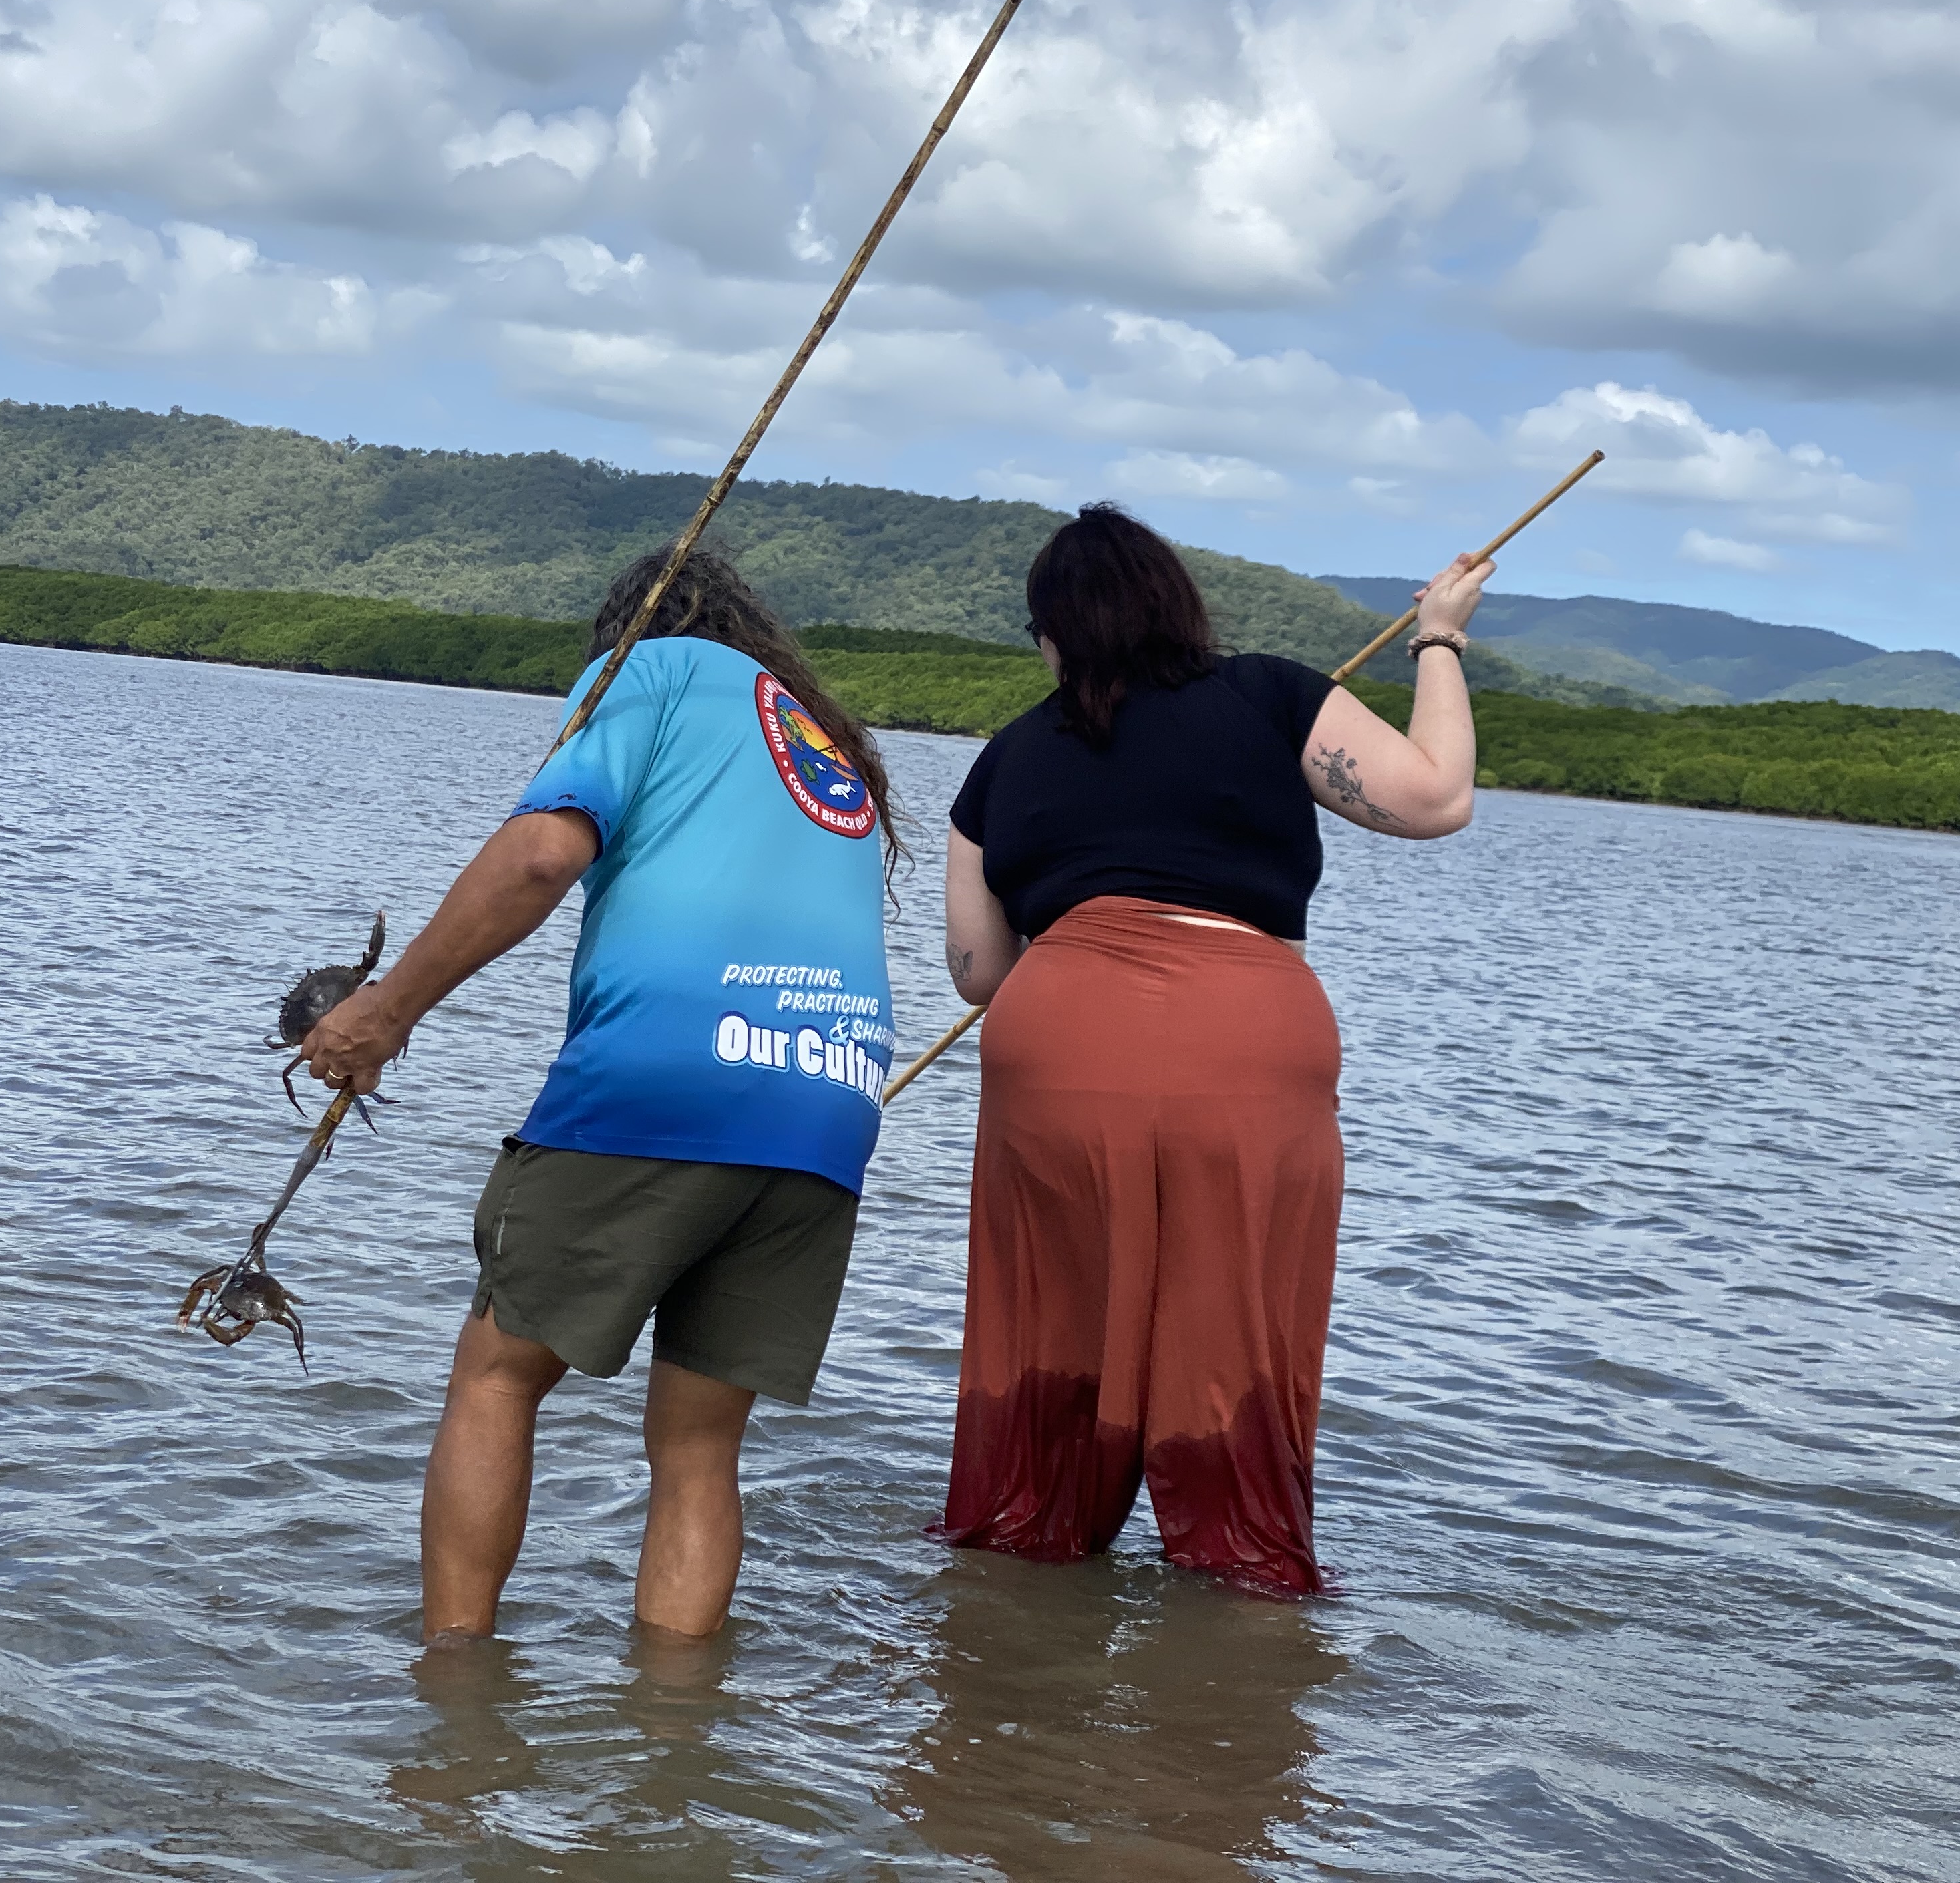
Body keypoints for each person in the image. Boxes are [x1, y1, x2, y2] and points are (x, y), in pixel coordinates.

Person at [301, 550, 902, 1643]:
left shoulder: (650, 668)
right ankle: (672, 1739)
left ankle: (453, 1696)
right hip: (830, 1097)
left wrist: (388, 1008)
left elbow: (539, 858)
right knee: (699, 1441)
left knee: (498, 1372)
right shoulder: (823, 738)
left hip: (673, 1073)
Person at [935, 504, 1491, 1595]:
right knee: (1234, 1329)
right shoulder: (1270, 694)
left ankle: (1021, 1566)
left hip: (1059, 1048)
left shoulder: (1004, 761)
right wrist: (1439, 637)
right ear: (1174, 607)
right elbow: (1436, 800)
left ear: (1054, 633)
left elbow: (979, 973)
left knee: (1051, 1324)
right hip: (1247, 1040)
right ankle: (1239, 1587)